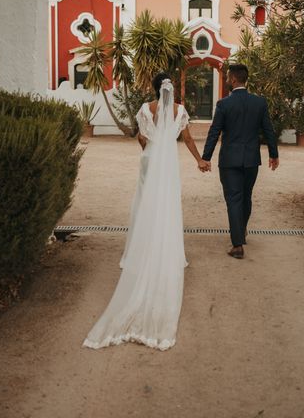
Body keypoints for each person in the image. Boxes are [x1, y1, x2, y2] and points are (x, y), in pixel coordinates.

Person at [83, 72, 207, 351]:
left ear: (153, 89)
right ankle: (167, 250)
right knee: (168, 203)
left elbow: (141, 137)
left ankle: (139, 249)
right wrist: (200, 160)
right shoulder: (180, 111)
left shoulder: (144, 109)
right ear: (171, 91)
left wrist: (149, 148)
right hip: (168, 165)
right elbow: (186, 139)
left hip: (150, 159)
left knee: (145, 202)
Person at [200, 64, 279, 259]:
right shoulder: (259, 103)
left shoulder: (223, 104)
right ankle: (241, 230)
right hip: (251, 160)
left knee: (234, 199)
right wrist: (273, 154)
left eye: (227, 77)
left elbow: (214, 132)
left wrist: (206, 157)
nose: (227, 80)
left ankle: (237, 245)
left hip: (229, 161)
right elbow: (268, 130)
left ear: (234, 79)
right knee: (246, 197)